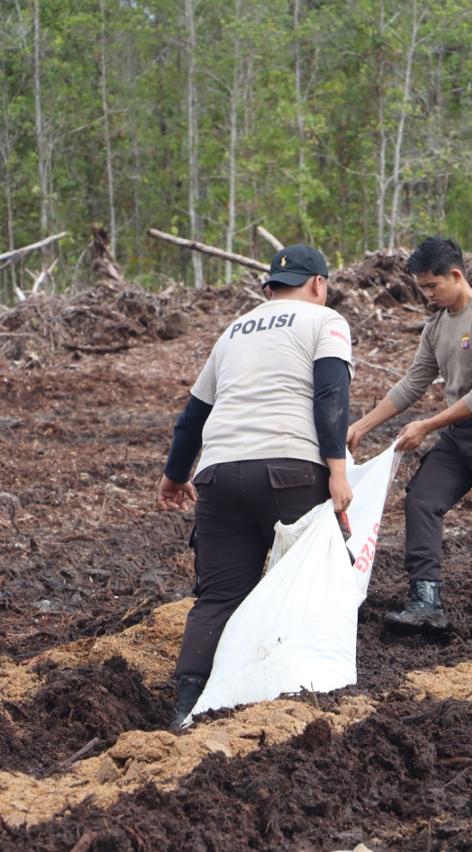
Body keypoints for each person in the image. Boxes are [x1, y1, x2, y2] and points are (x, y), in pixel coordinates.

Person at [157, 244, 353, 731]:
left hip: (219, 476)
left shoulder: (232, 332)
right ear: (319, 284)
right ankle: (303, 699)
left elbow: (193, 417)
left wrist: (175, 474)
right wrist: (338, 471)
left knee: (218, 597)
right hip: (290, 472)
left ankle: (186, 707)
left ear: (268, 288)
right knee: (311, 581)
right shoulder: (325, 322)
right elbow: (330, 395)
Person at [346, 236, 472, 633]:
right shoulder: (435, 326)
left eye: (433, 287)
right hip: (460, 435)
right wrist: (362, 426)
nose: (428, 296)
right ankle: (426, 602)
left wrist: (428, 425)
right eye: (422, 289)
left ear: (456, 275)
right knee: (421, 500)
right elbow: (413, 382)